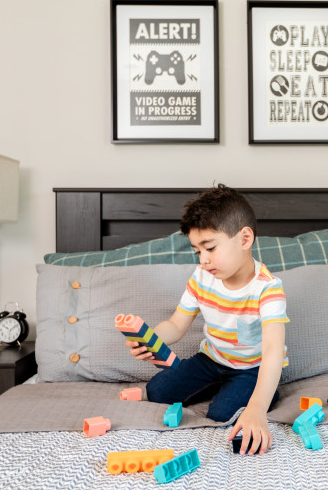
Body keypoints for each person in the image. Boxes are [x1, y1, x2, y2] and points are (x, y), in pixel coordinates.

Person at [125, 184, 288, 455]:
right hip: (212, 359)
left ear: (245, 239)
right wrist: (149, 338)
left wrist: (257, 409)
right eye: (197, 251)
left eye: (210, 248)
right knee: (157, 391)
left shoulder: (268, 288)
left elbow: (272, 350)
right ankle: (221, 384)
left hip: (252, 367)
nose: (203, 260)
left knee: (222, 413)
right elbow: (176, 325)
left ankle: (266, 392)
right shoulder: (201, 277)